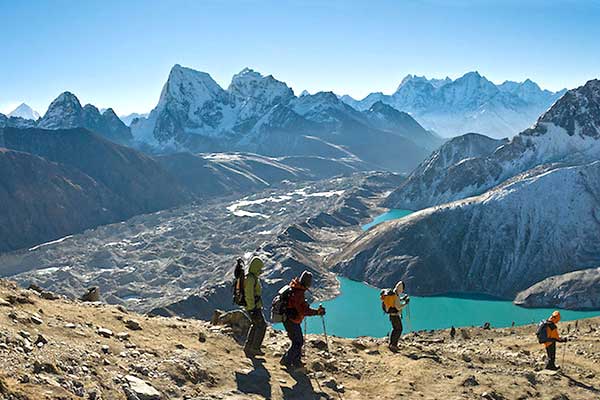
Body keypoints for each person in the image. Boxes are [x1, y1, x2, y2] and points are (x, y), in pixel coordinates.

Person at [280, 270, 325, 371]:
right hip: (292, 321)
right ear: (307, 282)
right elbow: (303, 310)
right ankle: (287, 361)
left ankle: (296, 361)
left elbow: (300, 307)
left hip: (288, 319)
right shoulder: (298, 293)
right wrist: (317, 312)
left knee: (297, 341)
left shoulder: (295, 288)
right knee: (298, 342)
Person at [243, 257, 267, 357]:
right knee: (262, 326)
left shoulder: (252, 277)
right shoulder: (250, 279)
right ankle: (255, 348)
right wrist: (252, 308)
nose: (261, 271)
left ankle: (248, 347)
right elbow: (249, 294)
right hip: (253, 307)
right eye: (260, 268)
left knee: (256, 325)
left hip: (253, 306)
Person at [382, 280, 410, 352]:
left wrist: (402, 299)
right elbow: (398, 307)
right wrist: (405, 303)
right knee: (399, 329)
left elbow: (395, 302)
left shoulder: (394, 293)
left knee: (395, 329)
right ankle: (393, 345)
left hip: (392, 316)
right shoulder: (395, 295)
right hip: (395, 316)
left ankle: (391, 344)